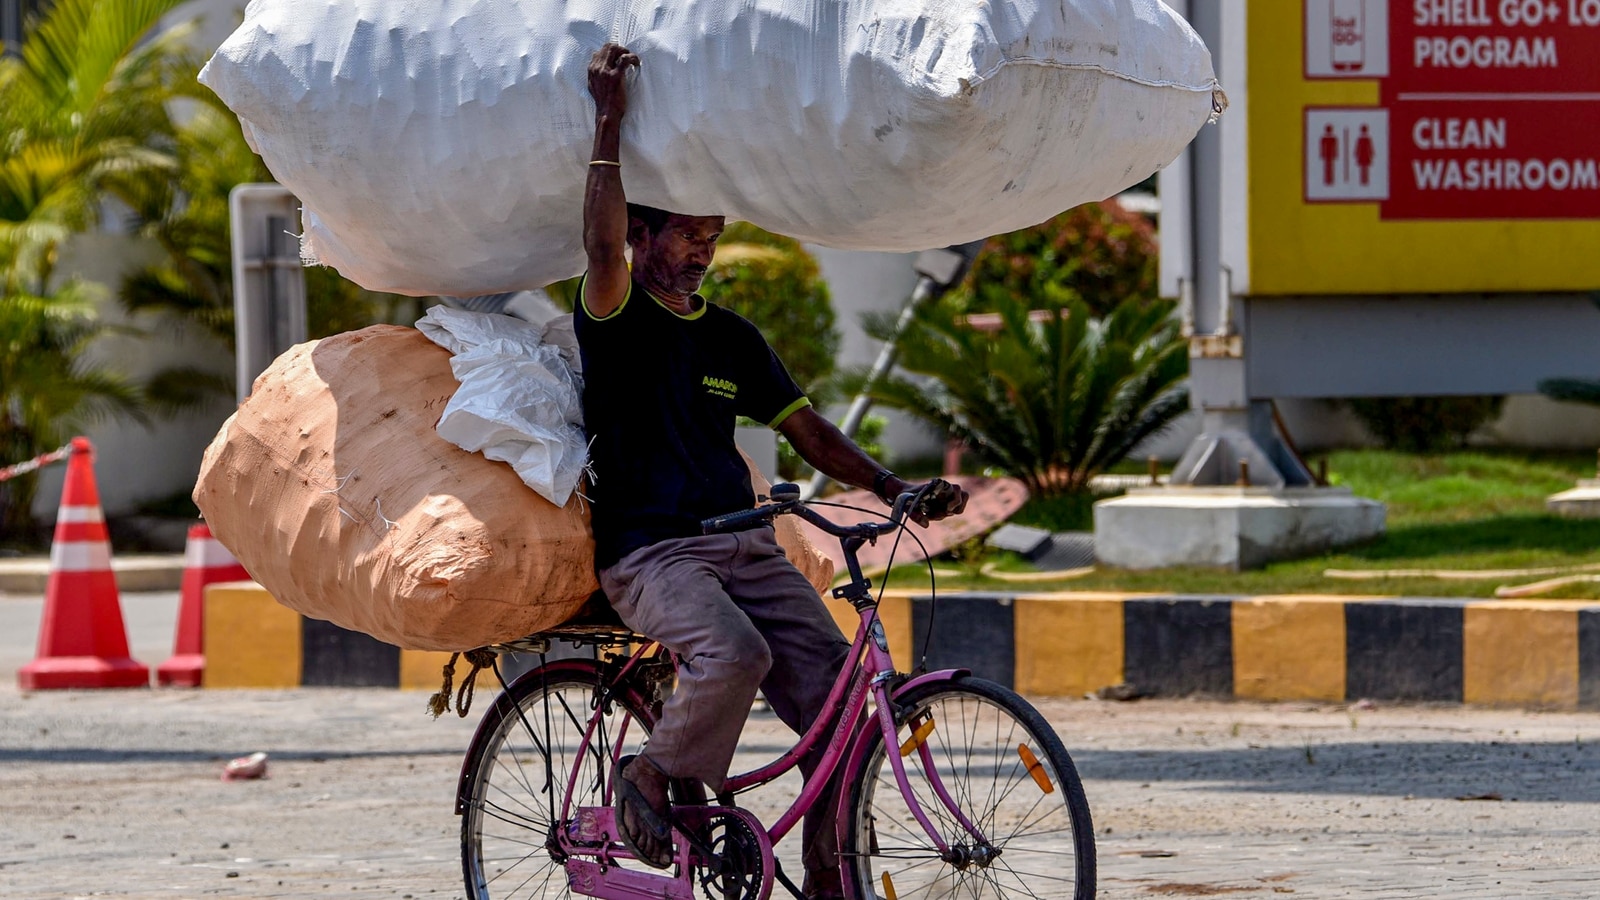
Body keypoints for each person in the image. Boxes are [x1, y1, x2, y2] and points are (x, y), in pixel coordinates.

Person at [577, 43, 968, 896]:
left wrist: (894, 490)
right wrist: (608, 119)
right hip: (653, 553)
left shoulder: (734, 339)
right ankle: (648, 775)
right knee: (732, 653)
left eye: (713, 240)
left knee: (843, 712)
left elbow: (813, 433)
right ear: (641, 234)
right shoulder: (616, 315)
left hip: (744, 544)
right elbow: (598, 245)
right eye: (686, 236)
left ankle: (831, 877)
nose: (702, 254)